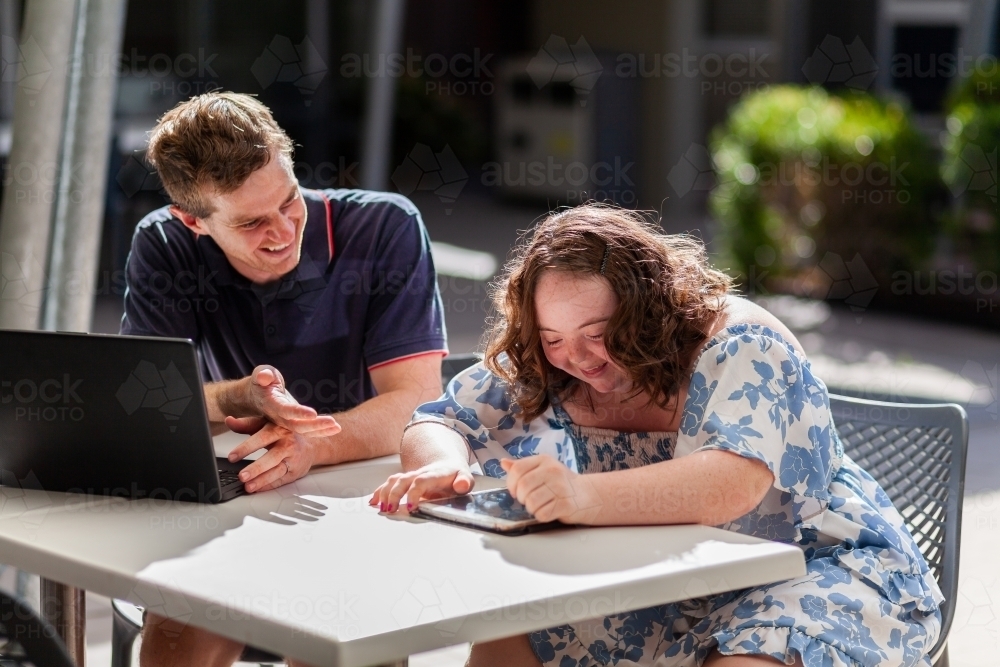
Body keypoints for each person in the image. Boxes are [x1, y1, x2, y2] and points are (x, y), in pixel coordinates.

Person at [372, 204, 943, 667]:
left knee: (753, 656)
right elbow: (438, 417)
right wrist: (440, 466)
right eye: (553, 338)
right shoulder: (555, 362)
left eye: (599, 333)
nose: (577, 358)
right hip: (665, 582)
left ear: (649, 309)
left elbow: (731, 482)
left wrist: (579, 498)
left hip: (810, 564)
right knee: (505, 642)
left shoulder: (742, 342)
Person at [121, 92, 447, 666]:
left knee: (336, 629)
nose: (282, 231)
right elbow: (147, 407)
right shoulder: (164, 245)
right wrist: (240, 395)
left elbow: (419, 402)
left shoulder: (385, 228)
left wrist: (308, 445)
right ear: (192, 220)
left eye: (289, 202)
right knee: (180, 635)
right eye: (250, 222)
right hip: (237, 499)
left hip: (360, 506)